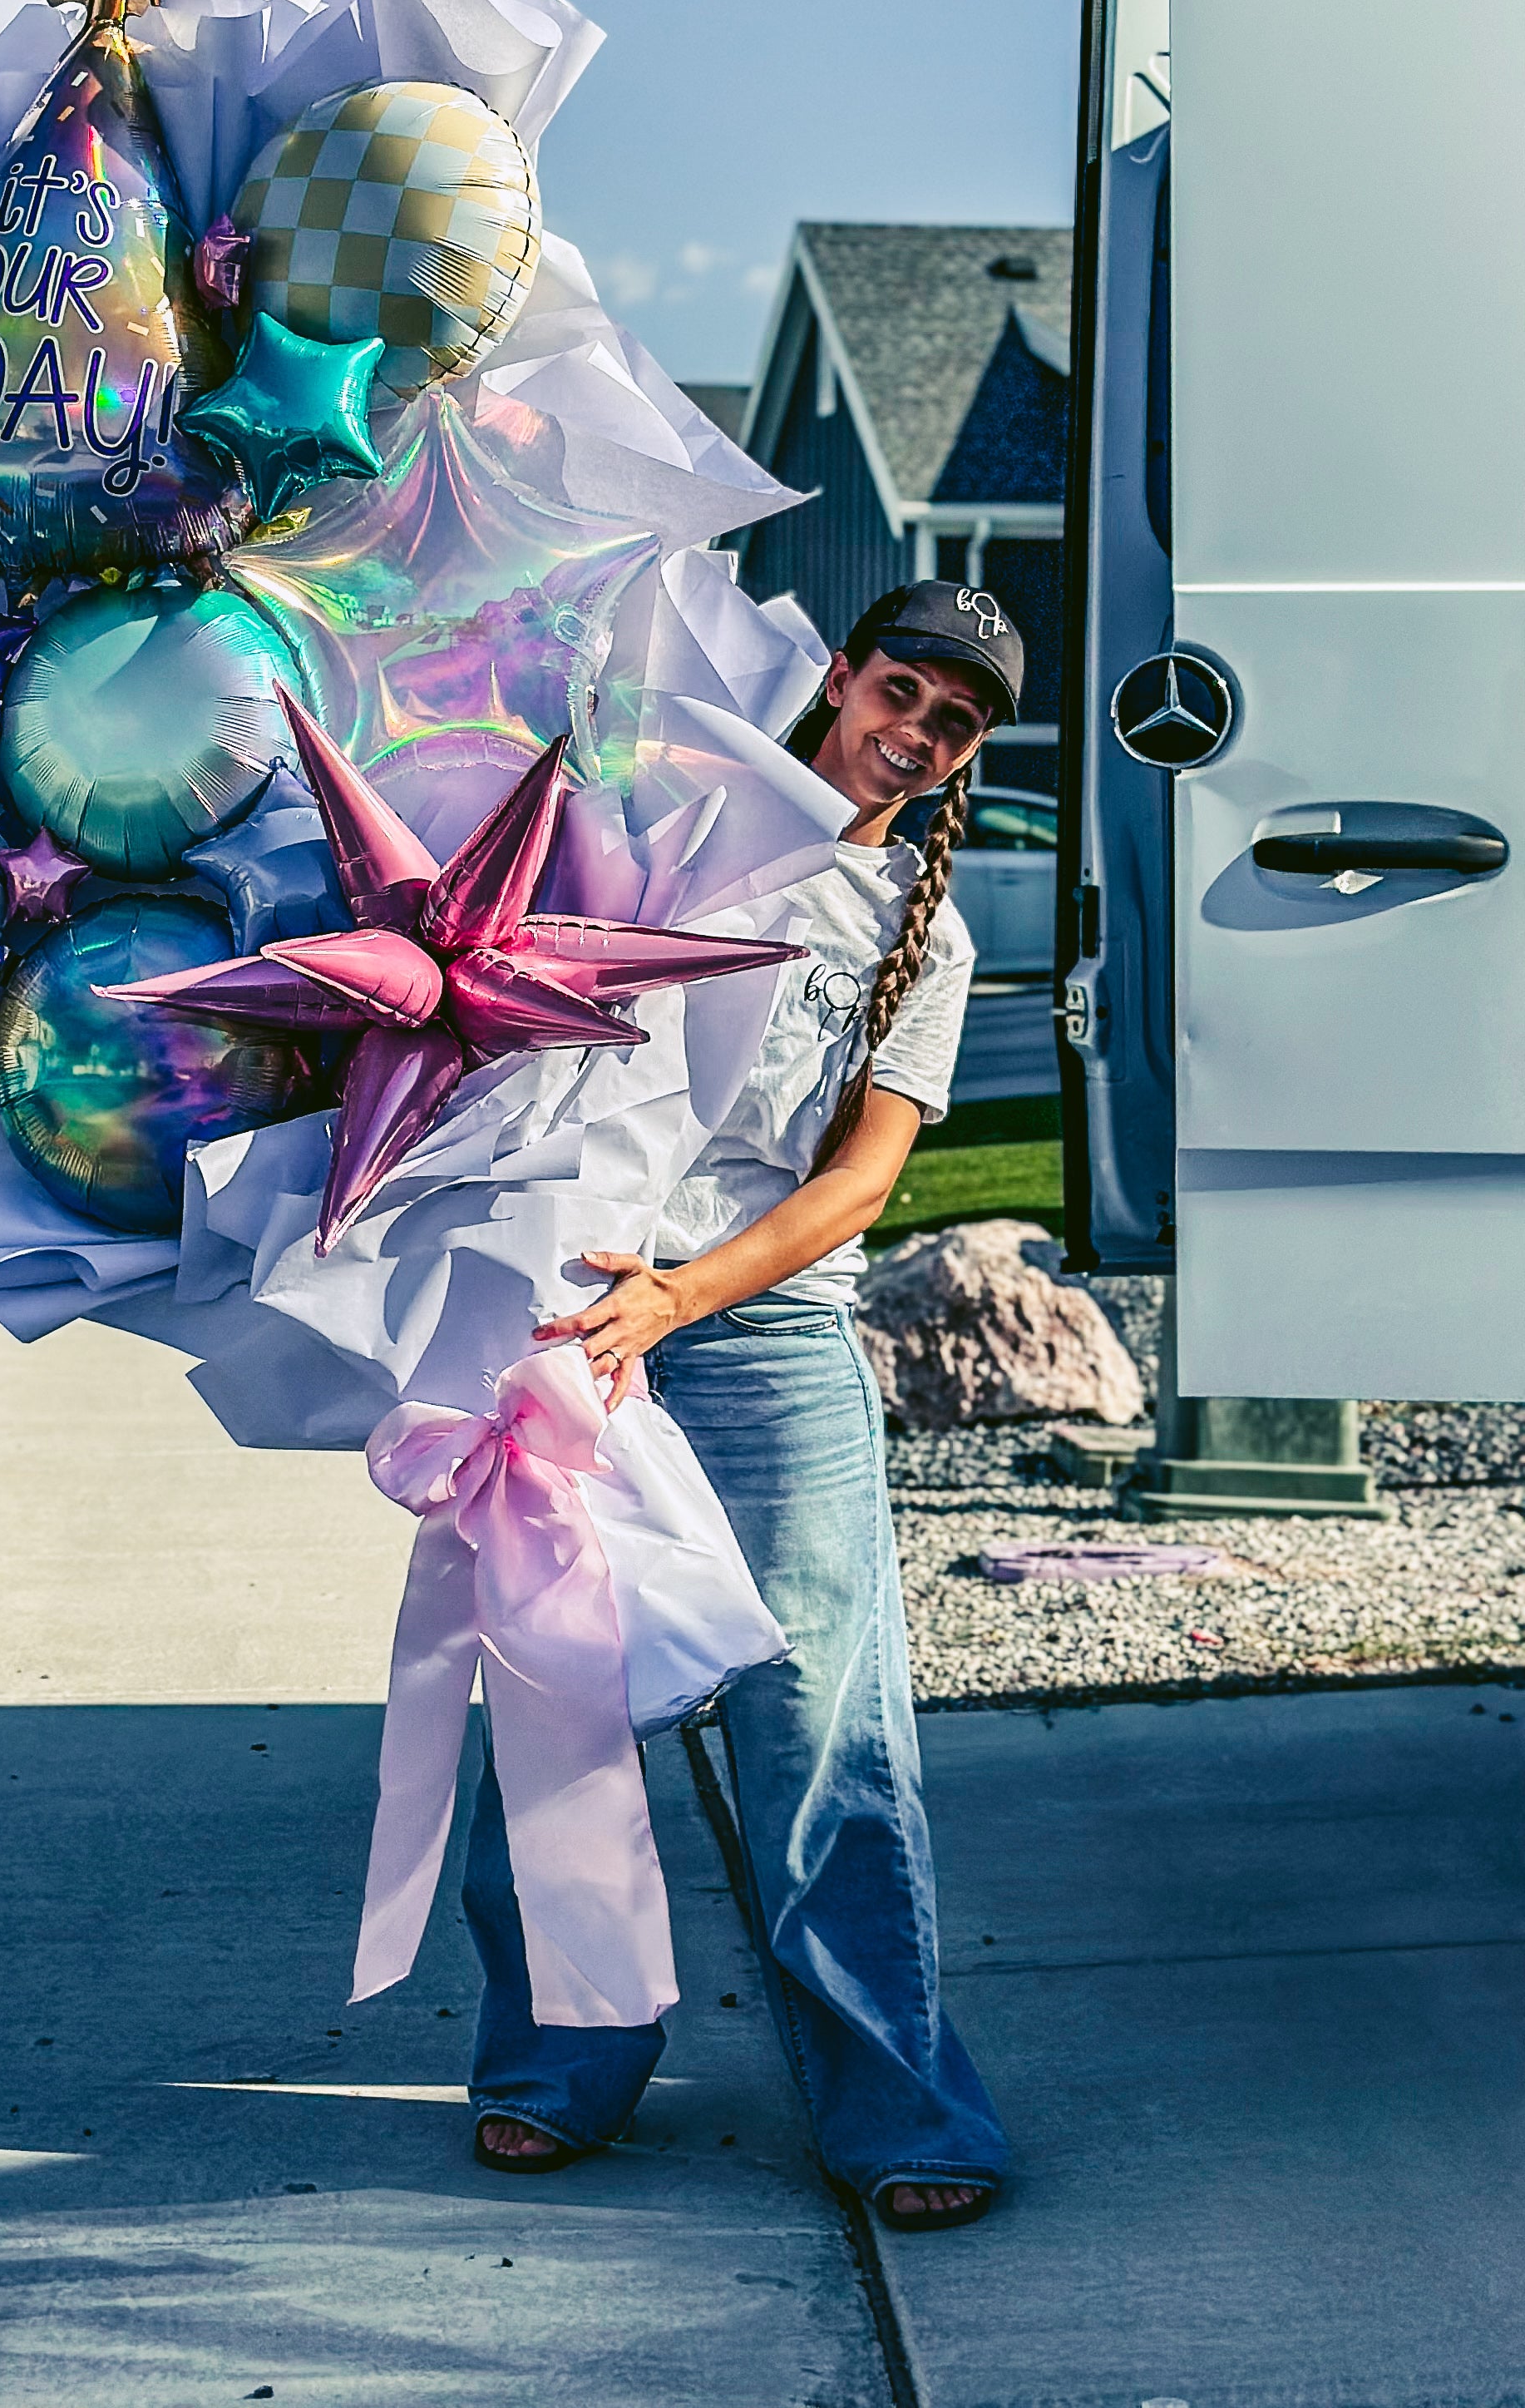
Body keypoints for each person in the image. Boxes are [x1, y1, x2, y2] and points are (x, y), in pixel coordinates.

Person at [461, 579, 1024, 2232]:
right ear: (836, 675)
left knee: (821, 1727)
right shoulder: (663, 825)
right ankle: (555, 2070)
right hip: (568, 1329)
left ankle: (897, 2101)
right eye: (899, 691)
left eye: (950, 725)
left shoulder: (927, 928)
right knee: (557, 1713)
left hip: (767, 1338)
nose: (909, 735)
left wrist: (682, 1298)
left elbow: (859, 1181)